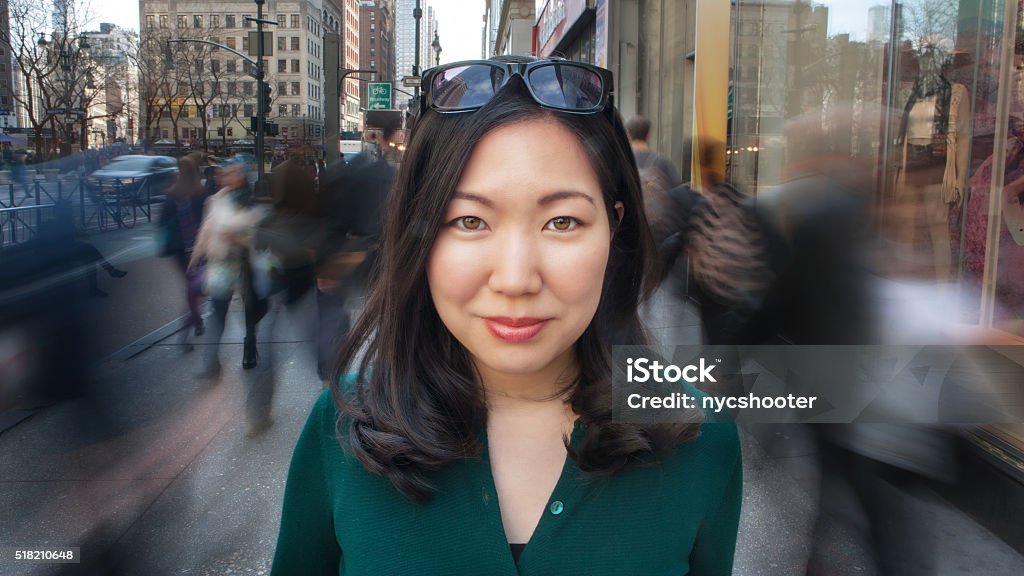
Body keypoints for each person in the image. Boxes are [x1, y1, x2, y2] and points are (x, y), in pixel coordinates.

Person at [271, 56, 741, 574]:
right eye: (469, 220)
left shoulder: (702, 436)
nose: (516, 279)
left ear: (614, 229)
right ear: (419, 234)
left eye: (562, 221)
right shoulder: (341, 429)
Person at [189, 158, 268, 376]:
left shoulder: (252, 203)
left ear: (242, 175)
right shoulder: (216, 200)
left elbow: (259, 236)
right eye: (224, 173)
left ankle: (249, 350)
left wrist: (238, 238)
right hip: (222, 262)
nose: (225, 177)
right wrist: (197, 254)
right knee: (218, 310)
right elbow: (206, 228)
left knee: (250, 311)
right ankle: (210, 361)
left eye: (230, 172)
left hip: (246, 263)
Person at [158, 155, 207, 345]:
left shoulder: (172, 192)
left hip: (179, 248)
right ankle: (191, 325)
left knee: (192, 286)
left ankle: (196, 321)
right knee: (196, 288)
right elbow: (206, 219)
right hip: (197, 246)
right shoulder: (200, 192)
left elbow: (162, 220)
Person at [626, 115, 682, 244]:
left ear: (628, 134)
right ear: (648, 135)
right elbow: (675, 195)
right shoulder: (662, 162)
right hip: (657, 232)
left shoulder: (622, 161)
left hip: (631, 228)